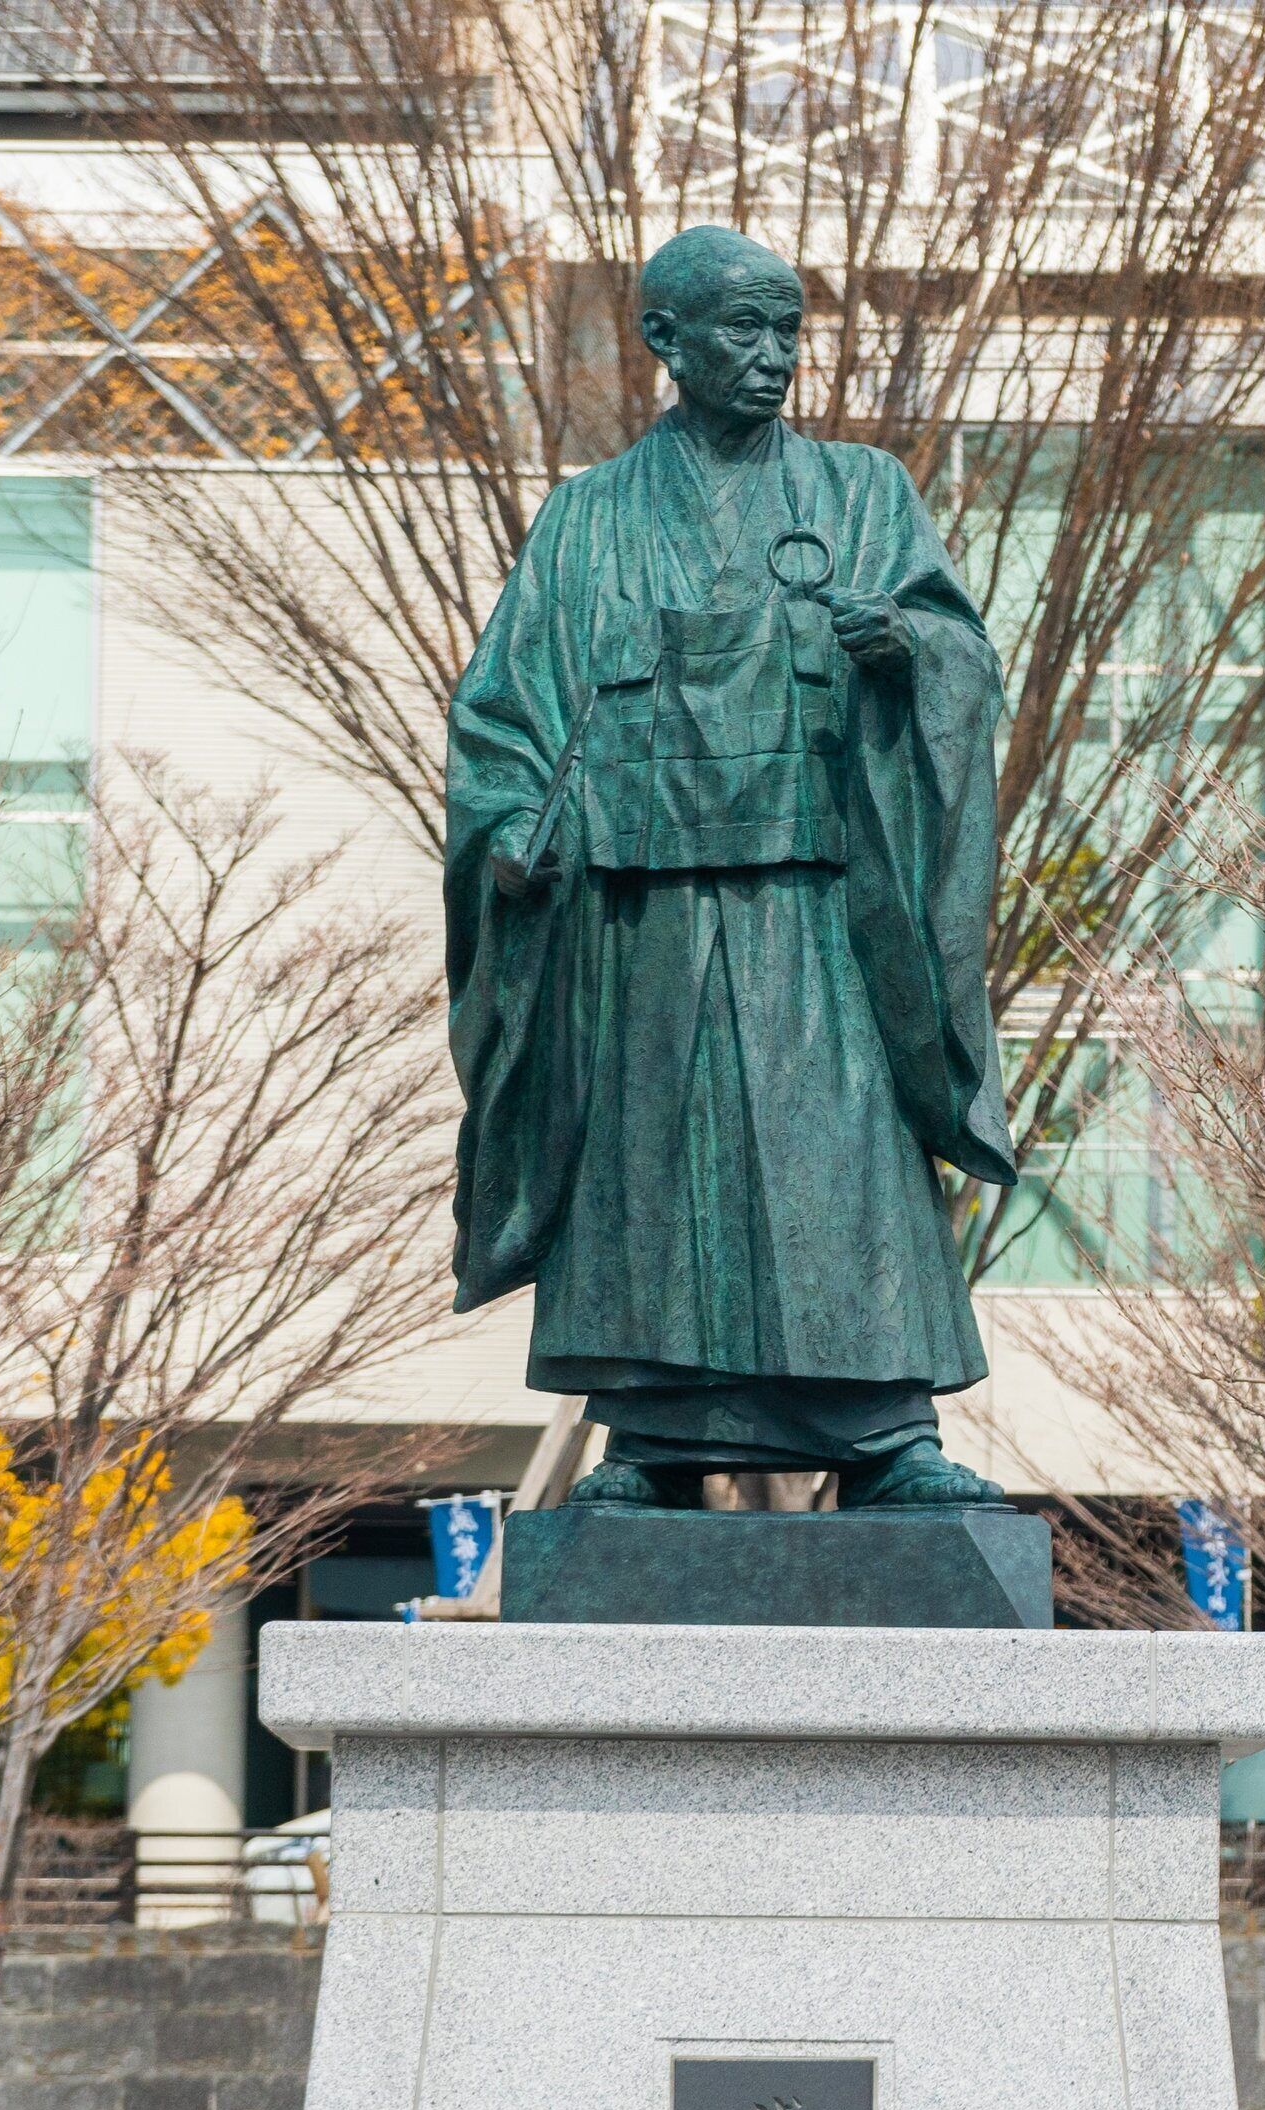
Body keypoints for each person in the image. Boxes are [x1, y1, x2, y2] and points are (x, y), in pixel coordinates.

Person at [445, 226, 1018, 1511]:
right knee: (650, 1165)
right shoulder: (586, 521)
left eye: (788, 333)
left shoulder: (865, 495)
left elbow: (963, 661)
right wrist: (518, 831)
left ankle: (886, 1430)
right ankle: (651, 1438)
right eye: (741, 332)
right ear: (666, 340)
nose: (771, 360)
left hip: (819, 901)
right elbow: (501, 717)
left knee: (846, 1153)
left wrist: (906, 655)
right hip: (640, 913)